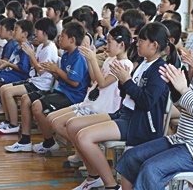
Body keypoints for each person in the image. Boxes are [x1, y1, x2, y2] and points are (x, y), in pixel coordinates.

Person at [116, 22, 193, 190]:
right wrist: (175, 90)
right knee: (131, 157)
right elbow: (187, 109)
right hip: (183, 140)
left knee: (151, 168)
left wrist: (183, 89)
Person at [67, 22, 170, 190]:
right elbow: (128, 94)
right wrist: (123, 80)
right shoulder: (143, 64)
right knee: (73, 125)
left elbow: (146, 101)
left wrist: (126, 80)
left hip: (140, 123)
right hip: (125, 114)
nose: (137, 44)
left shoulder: (160, 70)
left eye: (142, 40)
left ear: (154, 45)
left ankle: (110, 184)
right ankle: (93, 177)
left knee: (84, 137)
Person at [47, 25, 133, 163]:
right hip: (91, 102)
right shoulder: (111, 59)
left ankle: (87, 153)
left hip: (103, 108)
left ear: (121, 44)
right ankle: (83, 151)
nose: (106, 46)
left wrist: (93, 59)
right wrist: (89, 59)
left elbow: (104, 83)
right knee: (52, 119)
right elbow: (95, 80)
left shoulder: (126, 64)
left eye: (109, 42)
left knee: (59, 123)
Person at [4, 22, 90, 153]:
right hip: (61, 91)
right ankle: (25, 140)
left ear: (72, 40)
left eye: (63, 37)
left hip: (73, 96)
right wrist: (53, 71)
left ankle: (49, 141)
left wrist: (56, 70)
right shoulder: (66, 55)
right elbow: (60, 78)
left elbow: (74, 83)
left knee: (37, 106)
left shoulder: (79, 57)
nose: (59, 39)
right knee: (26, 99)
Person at [0, 17, 58, 132]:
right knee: (4, 89)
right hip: (33, 81)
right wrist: (31, 55)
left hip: (41, 85)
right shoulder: (41, 46)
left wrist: (31, 55)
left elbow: (41, 71)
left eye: (37, 30)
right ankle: (8, 121)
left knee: (8, 92)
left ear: (45, 32)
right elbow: (34, 66)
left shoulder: (50, 48)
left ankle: (14, 125)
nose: (35, 33)